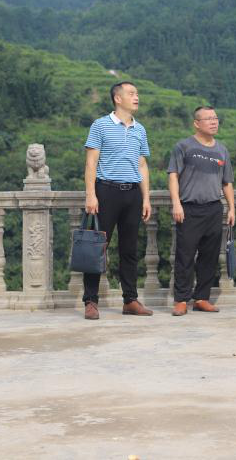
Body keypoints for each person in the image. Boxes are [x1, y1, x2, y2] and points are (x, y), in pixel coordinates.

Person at [82, 81, 153, 320]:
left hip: (132, 193)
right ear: (117, 98)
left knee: (129, 249)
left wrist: (146, 198)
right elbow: (91, 162)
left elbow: (142, 165)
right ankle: (91, 301)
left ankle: (130, 300)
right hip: (106, 191)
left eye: (137, 93)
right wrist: (91, 194)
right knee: (97, 247)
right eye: (132, 93)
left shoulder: (140, 129)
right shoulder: (100, 125)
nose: (137, 97)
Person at [167, 106, 235, 316]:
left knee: (210, 256)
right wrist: (176, 203)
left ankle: (202, 298)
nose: (214, 122)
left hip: (214, 208)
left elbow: (227, 182)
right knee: (185, 256)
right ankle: (181, 300)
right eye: (208, 119)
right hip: (189, 208)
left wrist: (231, 208)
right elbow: (173, 176)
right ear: (197, 123)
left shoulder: (222, 150)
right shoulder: (183, 147)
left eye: (215, 118)